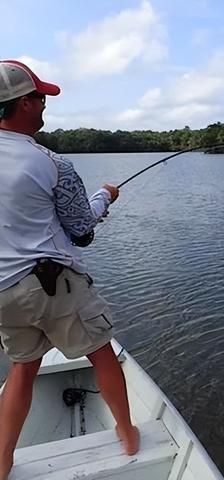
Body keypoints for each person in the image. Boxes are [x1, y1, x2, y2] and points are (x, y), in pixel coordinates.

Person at [0, 59, 139, 479]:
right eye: (40, 98)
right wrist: (105, 196)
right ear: (23, 104)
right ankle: (127, 432)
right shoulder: (53, 163)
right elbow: (81, 232)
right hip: (48, 285)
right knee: (101, 350)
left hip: (2, 293)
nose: (45, 107)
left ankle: (3, 461)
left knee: (24, 368)